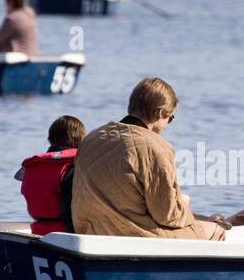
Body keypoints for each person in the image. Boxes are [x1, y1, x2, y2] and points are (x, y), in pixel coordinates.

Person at [70, 77, 226, 240]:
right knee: (216, 230)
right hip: (132, 235)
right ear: (159, 113)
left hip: (89, 231)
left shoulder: (92, 138)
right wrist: (184, 205)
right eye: (170, 118)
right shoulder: (155, 147)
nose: (167, 124)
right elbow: (167, 216)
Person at [15, 115, 86, 235]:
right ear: (82, 141)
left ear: (49, 140)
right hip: (66, 236)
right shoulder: (74, 167)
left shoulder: (31, 166)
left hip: (38, 232)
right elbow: (68, 211)